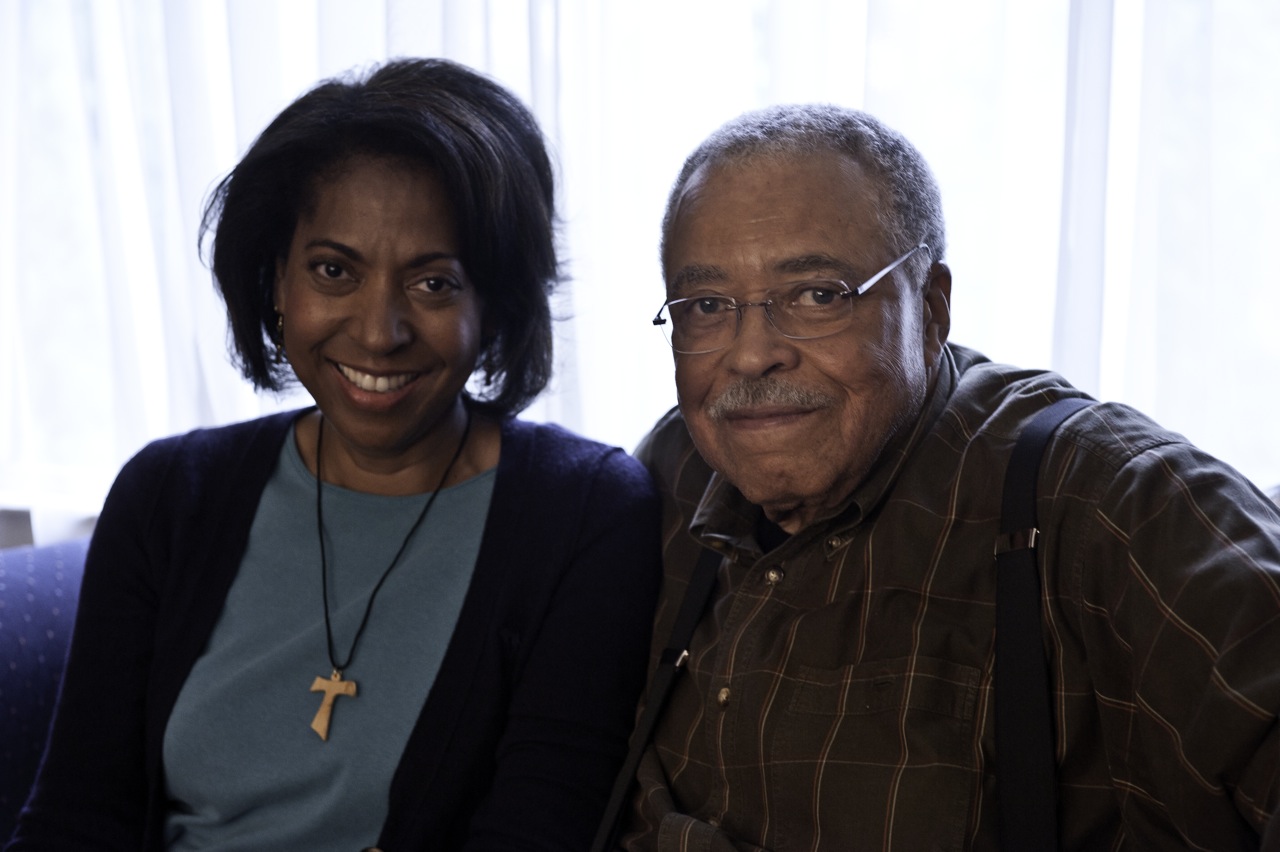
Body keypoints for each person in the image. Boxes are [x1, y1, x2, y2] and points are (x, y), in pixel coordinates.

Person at [7, 58, 661, 851]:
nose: (378, 330)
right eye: (333, 270)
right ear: (276, 283)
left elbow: (537, 830)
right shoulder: (168, 496)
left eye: (433, 284)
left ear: (493, 305)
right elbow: (74, 818)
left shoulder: (585, 516)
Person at [615, 104, 1280, 849]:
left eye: (818, 295)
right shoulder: (669, 472)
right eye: (708, 306)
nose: (750, 355)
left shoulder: (1100, 494)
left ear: (931, 308)